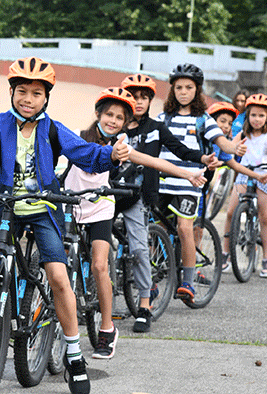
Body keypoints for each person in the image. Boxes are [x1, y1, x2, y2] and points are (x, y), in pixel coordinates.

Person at [0, 57, 130, 394]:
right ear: (12, 92)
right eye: (22, 91)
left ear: (46, 98)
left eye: (36, 93)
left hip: (43, 207)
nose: (28, 99)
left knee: (58, 277)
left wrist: (111, 156)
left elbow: (83, 152)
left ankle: (73, 353)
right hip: (5, 206)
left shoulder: (53, 129)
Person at [62, 87, 206, 357]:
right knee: (58, 262)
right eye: (109, 115)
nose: (113, 121)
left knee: (100, 264)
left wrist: (187, 174)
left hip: (101, 209)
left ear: (126, 122)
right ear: (98, 114)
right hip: (72, 205)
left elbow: (152, 161)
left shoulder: (122, 147)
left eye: (120, 117)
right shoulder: (78, 139)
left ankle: (107, 329)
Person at [118, 73, 219, 332]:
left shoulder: (156, 127)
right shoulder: (116, 125)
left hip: (160, 187)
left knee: (179, 231)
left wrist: (203, 160)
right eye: (132, 96)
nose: (138, 102)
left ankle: (184, 282)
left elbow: (180, 151)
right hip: (125, 191)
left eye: (144, 97)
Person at [156, 64, 245, 304]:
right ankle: (152, 281)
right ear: (172, 90)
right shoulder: (162, 118)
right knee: (156, 230)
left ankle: (188, 281)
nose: (183, 92)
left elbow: (221, 141)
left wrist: (233, 148)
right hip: (162, 182)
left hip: (189, 182)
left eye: (189, 88)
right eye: (178, 88)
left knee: (185, 229)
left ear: (197, 90)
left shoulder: (203, 120)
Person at [222, 94, 267, 278]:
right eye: (253, 115)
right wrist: (227, 152)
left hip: (266, 176)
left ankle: (266, 259)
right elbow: (229, 148)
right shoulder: (243, 134)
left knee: (265, 217)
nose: (257, 119)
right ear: (247, 116)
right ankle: (225, 254)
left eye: (261, 115)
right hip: (245, 173)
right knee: (230, 213)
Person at [203, 102, 267, 272]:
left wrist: (258, 176)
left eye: (229, 123)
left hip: (201, 187)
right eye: (222, 121)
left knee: (196, 226)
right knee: (229, 213)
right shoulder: (204, 139)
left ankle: (266, 259)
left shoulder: (223, 143)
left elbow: (233, 163)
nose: (226, 126)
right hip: (190, 183)